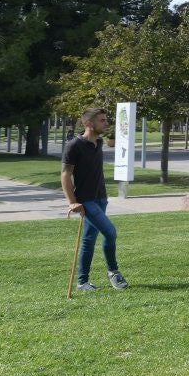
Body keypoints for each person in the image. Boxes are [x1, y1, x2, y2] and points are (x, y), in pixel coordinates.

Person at [62, 107, 130, 291]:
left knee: (89, 239)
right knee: (110, 232)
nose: (106, 123)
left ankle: (83, 282)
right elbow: (65, 175)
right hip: (86, 201)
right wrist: (73, 201)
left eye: (106, 119)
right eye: (102, 120)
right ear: (89, 124)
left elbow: (113, 141)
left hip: (101, 198)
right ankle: (113, 272)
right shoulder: (74, 146)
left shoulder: (98, 142)